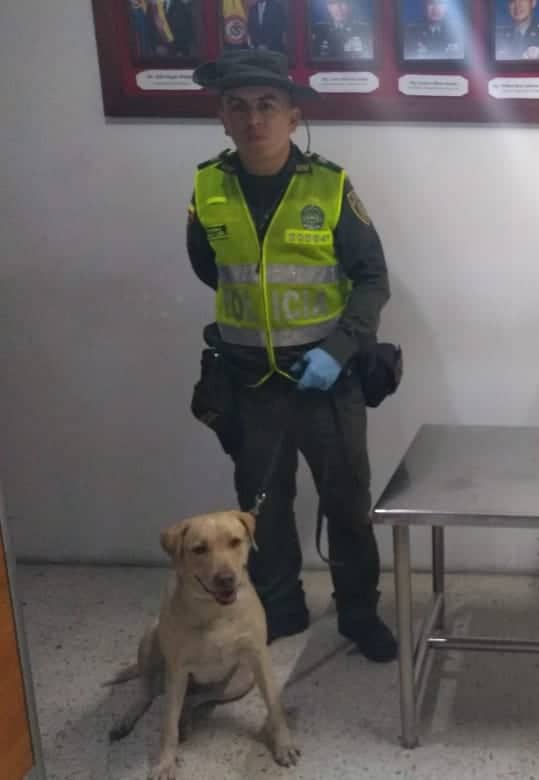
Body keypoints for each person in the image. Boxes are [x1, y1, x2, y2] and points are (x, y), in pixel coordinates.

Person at [186, 50, 398, 662]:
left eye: (267, 105)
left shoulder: (329, 185)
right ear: (223, 118)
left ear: (293, 116)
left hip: (326, 380)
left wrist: (338, 347)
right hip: (250, 383)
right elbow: (209, 268)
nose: (254, 119)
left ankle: (358, 613)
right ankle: (281, 609)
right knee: (262, 510)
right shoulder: (207, 186)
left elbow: (372, 278)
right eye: (238, 107)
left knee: (347, 504)